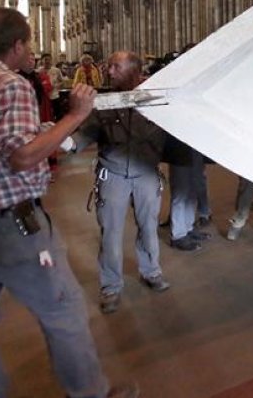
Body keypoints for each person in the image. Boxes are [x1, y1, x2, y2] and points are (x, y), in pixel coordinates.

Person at [0, 7, 137, 398]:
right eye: (29, 43)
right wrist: (76, 116)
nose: (31, 50)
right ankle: (91, 393)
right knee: (64, 311)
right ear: (17, 45)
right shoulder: (9, 85)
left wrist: (45, 130)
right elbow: (20, 156)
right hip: (12, 229)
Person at [70, 51, 170, 314]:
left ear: (135, 70)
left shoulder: (155, 99)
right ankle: (111, 285)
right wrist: (66, 142)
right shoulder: (104, 103)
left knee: (148, 226)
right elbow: (86, 134)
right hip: (112, 174)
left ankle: (151, 271)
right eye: (109, 67)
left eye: (116, 67)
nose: (109, 71)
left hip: (146, 173)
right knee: (111, 232)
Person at [164, 134, 212, 252]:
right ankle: (178, 235)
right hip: (179, 150)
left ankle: (188, 227)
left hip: (195, 147)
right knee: (180, 193)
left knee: (192, 191)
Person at [40, 53, 65, 119]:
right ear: (42, 61)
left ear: (51, 60)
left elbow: (62, 81)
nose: (47, 61)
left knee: (58, 114)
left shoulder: (57, 70)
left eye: (49, 59)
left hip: (54, 95)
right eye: (45, 59)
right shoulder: (39, 71)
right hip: (44, 97)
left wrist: (55, 86)